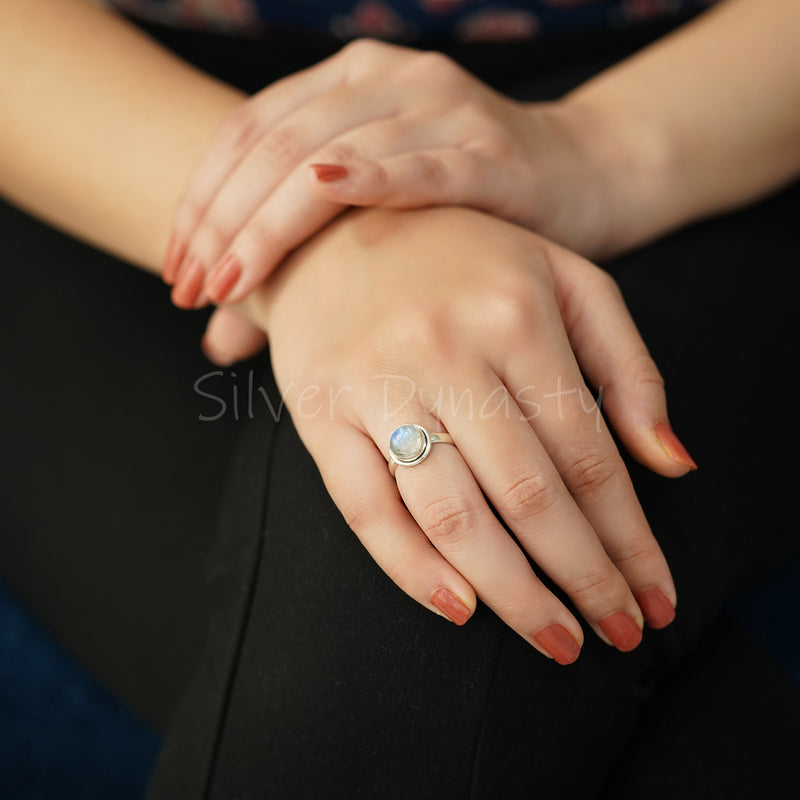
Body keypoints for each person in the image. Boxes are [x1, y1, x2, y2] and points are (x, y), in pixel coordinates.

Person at [1, 0, 798, 797]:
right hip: (98, 118)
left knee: (453, 574)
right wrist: (312, 228)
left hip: (704, 101)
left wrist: (597, 147)